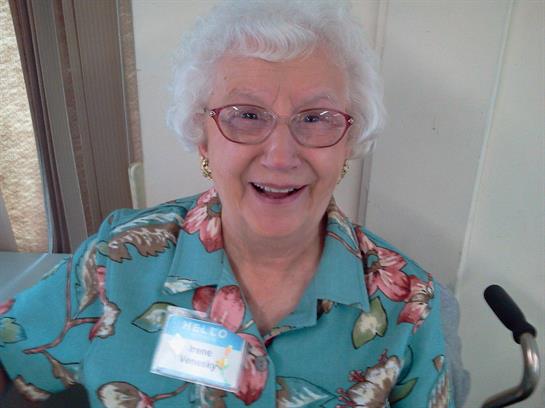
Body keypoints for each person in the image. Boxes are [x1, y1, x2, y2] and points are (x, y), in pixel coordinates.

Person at [0, 1, 457, 406]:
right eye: (247, 115)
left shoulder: (409, 302)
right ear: (203, 138)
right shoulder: (116, 261)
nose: (280, 156)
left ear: (348, 143)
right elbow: (10, 352)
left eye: (316, 118)